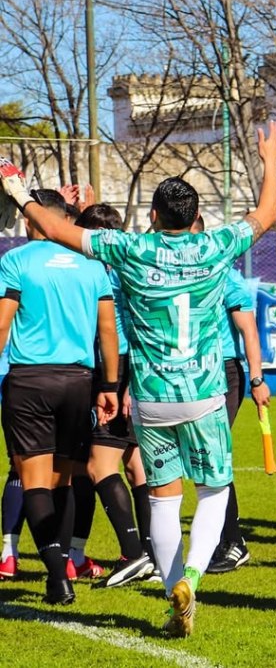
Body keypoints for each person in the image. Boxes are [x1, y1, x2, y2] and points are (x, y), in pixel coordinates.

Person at [0, 122, 276, 634]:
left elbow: (59, 230)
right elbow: (266, 214)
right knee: (214, 490)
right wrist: (271, 159)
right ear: (195, 218)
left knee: (162, 497)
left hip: (151, 398)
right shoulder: (215, 245)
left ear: (153, 215)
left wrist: (20, 193)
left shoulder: (131, 248)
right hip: (204, 392)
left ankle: (173, 588)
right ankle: (191, 579)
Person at [0, 187, 120, 604]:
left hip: (30, 380)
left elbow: (2, 324)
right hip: (78, 381)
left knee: (33, 480)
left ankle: (56, 575)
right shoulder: (91, 266)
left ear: (31, 220)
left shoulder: (16, 261)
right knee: (64, 479)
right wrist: (108, 385)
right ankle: (65, 563)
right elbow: (108, 330)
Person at [72, 203, 157, 588]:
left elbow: (128, 329)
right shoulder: (128, 266)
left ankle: (134, 552)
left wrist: (121, 385)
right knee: (136, 465)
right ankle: (154, 555)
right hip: (131, 369)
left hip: (113, 370)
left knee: (97, 467)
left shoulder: (101, 272)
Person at [189, 215, 272, 575]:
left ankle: (234, 542)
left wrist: (257, 379)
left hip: (223, 372)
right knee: (199, 458)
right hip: (188, 371)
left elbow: (248, 330)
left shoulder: (226, 276)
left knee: (211, 455)